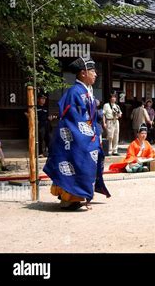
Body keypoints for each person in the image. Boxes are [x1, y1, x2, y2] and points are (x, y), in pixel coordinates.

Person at [43, 56, 110, 210]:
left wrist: (97, 125)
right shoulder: (74, 92)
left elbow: (90, 115)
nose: (95, 74)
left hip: (87, 133)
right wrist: (87, 133)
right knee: (76, 162)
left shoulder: (88, 92)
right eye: (92, 71)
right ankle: (69, 198)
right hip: (73, 135)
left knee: (89, 161)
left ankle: (79, 195)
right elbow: (72, 117)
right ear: (82, 73)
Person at [103, 92, 122, 156]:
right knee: (110, 136)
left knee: (116, 136)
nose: (113, 98)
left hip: (116, 121)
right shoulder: (106, 105)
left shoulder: (117, 106)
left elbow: (120, 115)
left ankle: (115, 150)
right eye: (112, 97)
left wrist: (118, 114)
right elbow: (104, 114)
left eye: (114, 97)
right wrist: (104, 123)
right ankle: (109, 150)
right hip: (109, 121)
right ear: (110, 98)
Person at [36, 93, 55, 157]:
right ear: (38, 99)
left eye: (44, 99)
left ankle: (49, 152)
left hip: (47, 124)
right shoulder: (36, 107)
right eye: (42, 99)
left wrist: (50, 118)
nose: (43, 100)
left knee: (48, 138)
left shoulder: (46, 108)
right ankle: (40, 153)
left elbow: (48, 116)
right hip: (40, 125)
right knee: (40, 139)